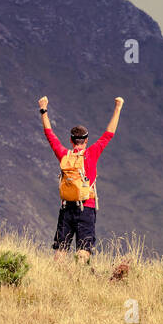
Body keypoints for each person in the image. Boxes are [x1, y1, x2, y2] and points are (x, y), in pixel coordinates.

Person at [38, 95, 123, 264]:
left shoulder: (64, 155)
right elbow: (108, 134)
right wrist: (118, 108)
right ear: (86, 141)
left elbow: (50, 135)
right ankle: (79, 282)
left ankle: (57, 283)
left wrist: (43, 110)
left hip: (66, 208)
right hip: (87, 207)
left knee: (61, 250)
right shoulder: (91, 154)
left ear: (71, 141)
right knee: (83, 251)